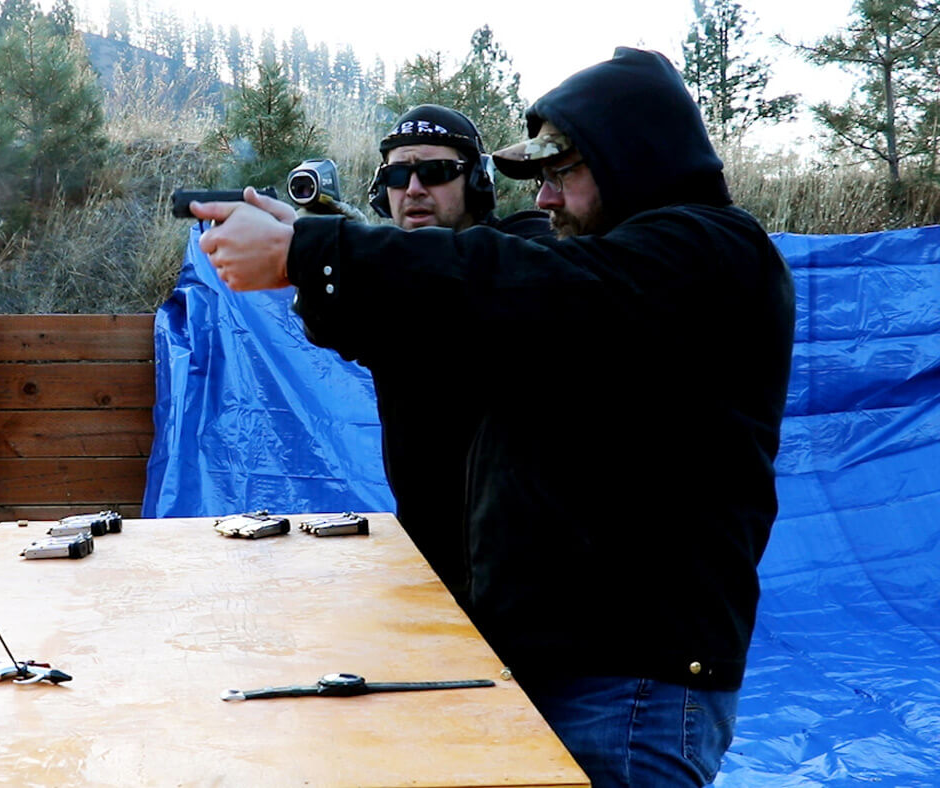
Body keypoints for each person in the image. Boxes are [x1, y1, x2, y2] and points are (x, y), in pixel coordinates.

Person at [192, 47, 796, 788]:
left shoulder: (708, 252)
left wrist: (308, 252)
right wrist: (314, 251)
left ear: (632, 161)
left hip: (630, 691)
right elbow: (455, 306)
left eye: (561, 172)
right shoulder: (609, 276)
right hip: (565, 669)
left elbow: (511, 284)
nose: (543, 199)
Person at [344, 105, 549, 603]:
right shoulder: (390, 275)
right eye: (396, 173)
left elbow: (470, 279)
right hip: (428, 566)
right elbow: (333, 319)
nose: (413, 188)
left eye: (435, 172)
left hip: (530, 584)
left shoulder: (529, 249)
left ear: (477, 181)